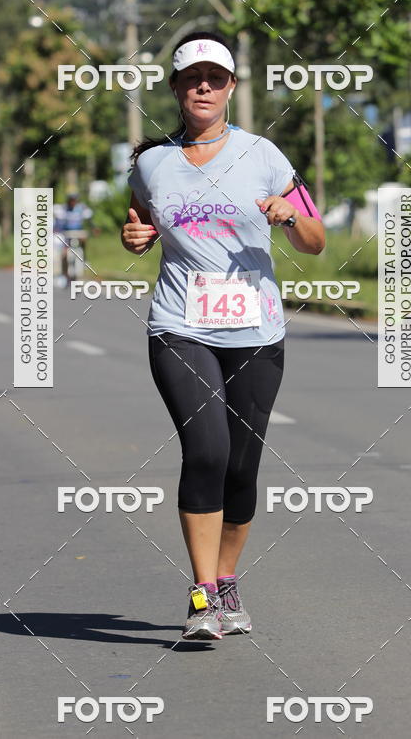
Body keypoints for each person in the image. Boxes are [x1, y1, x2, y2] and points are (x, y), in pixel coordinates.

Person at [122, 31, 325, 641]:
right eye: (192, 78)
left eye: (215, 77)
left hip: (256, 330)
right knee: (205, 451)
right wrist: (136, 238)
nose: (203, 86)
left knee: (241, 466)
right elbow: (137, 224)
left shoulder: (266, 157)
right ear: (177, 90)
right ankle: (202, 595)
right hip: (180, 326)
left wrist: (291, 217)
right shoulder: (151, 163)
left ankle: (228, 580)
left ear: (231, 87)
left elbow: (315, 240)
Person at [54, 193, 92, 286]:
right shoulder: (63, 209)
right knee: (64, 254)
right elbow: (58, 222)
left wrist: (93, 227)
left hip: (78, 232)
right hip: (66, 234)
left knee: (84, 239)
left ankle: (84, 259)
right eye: (71, 200)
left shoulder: (81, 208)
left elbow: (89, 218)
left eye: (75, 200)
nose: (73, 202)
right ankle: (64, 274)